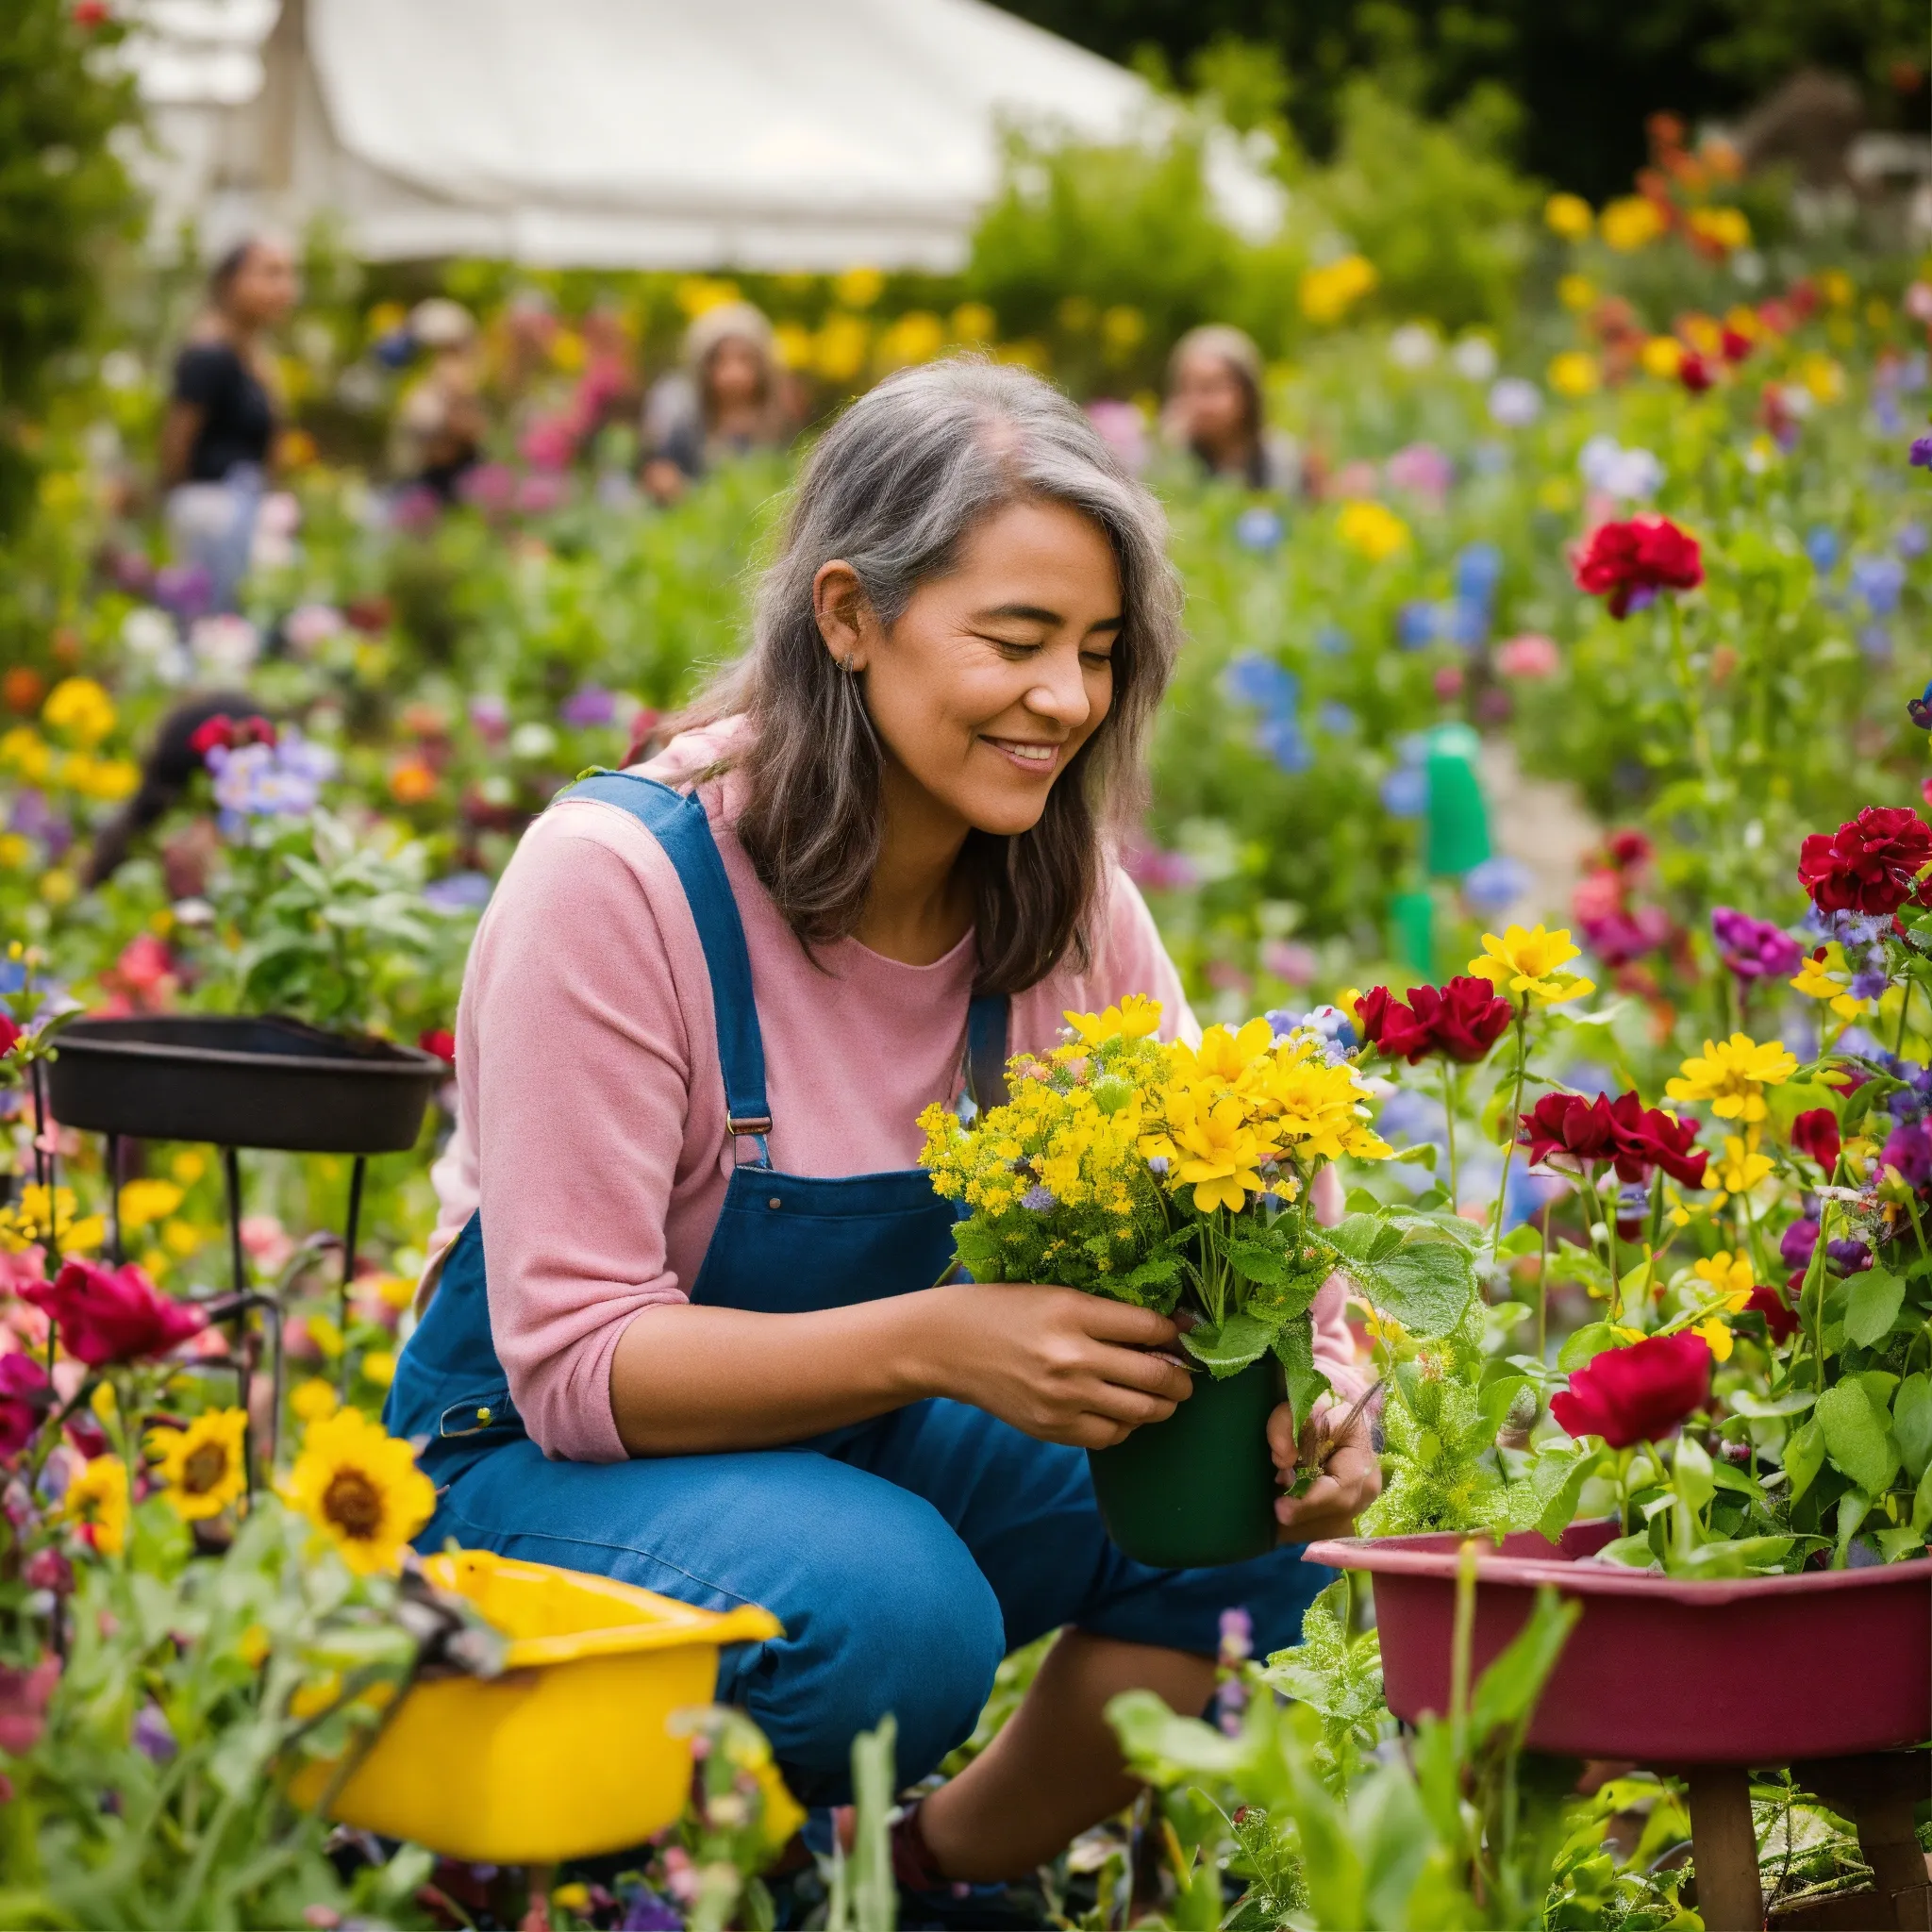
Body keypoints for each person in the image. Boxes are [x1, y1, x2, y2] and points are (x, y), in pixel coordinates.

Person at [391, 358, 1376, 1888]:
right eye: (1015, 639)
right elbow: (578, 1364)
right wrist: (936, 1336)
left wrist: (1317, 1382)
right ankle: (655, 1862)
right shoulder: (620, 887)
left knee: (1240, 1510)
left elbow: (1231, 1182)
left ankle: (928, 1871)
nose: (1065, 697)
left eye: (1099, 650)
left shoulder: (1056, 905)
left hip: (850, 1436)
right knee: (898, 1614)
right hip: (523, 1466)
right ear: (848, 615)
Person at [158, 237, 299, 612]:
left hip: (247, 512)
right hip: (212, 513)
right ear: (230, 282)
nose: (285, 289)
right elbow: (177, 442)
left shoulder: (254, 360)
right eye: (271, 274)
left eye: (288, 276)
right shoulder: (208, 355)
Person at [640, 300, 792, 505]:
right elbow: (658, 472)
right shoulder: (688, 429)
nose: (733, 374)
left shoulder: (780, 428)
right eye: (721, 361)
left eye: (744, 360)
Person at [1162, 325, 1301, 491]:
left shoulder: (1281, 460)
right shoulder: (1173, 460)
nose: (1197, 403)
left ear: (1247, 392)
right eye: (1186, 390)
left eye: (1210, 388)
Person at [389, 298, 488, 502]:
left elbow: (472, 429)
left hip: (458, 478)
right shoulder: (414, 386)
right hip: (422, 479)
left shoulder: (469, 383)